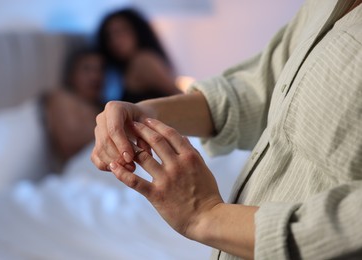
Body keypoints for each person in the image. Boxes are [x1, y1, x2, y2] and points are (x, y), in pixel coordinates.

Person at [91, 0, 362, 259]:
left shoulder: (143, 62)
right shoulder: (324, 4)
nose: (116, 40)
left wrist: (206, 215)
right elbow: (259, 88)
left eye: (121, 31)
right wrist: (145, 113)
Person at [95, 8, 181, 104]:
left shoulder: (143, 60)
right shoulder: (124, 69)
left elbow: (178, 95)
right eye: (109, 36)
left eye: (121, 31)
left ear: (137, 31)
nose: (115, 40)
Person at [43, 47, 105, 167]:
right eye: (87, 69)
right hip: (83, 167)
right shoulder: (62, 98)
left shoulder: (102, 105)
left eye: (100, 70)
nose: (95, 76)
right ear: (72, 74)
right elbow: (69, 142)